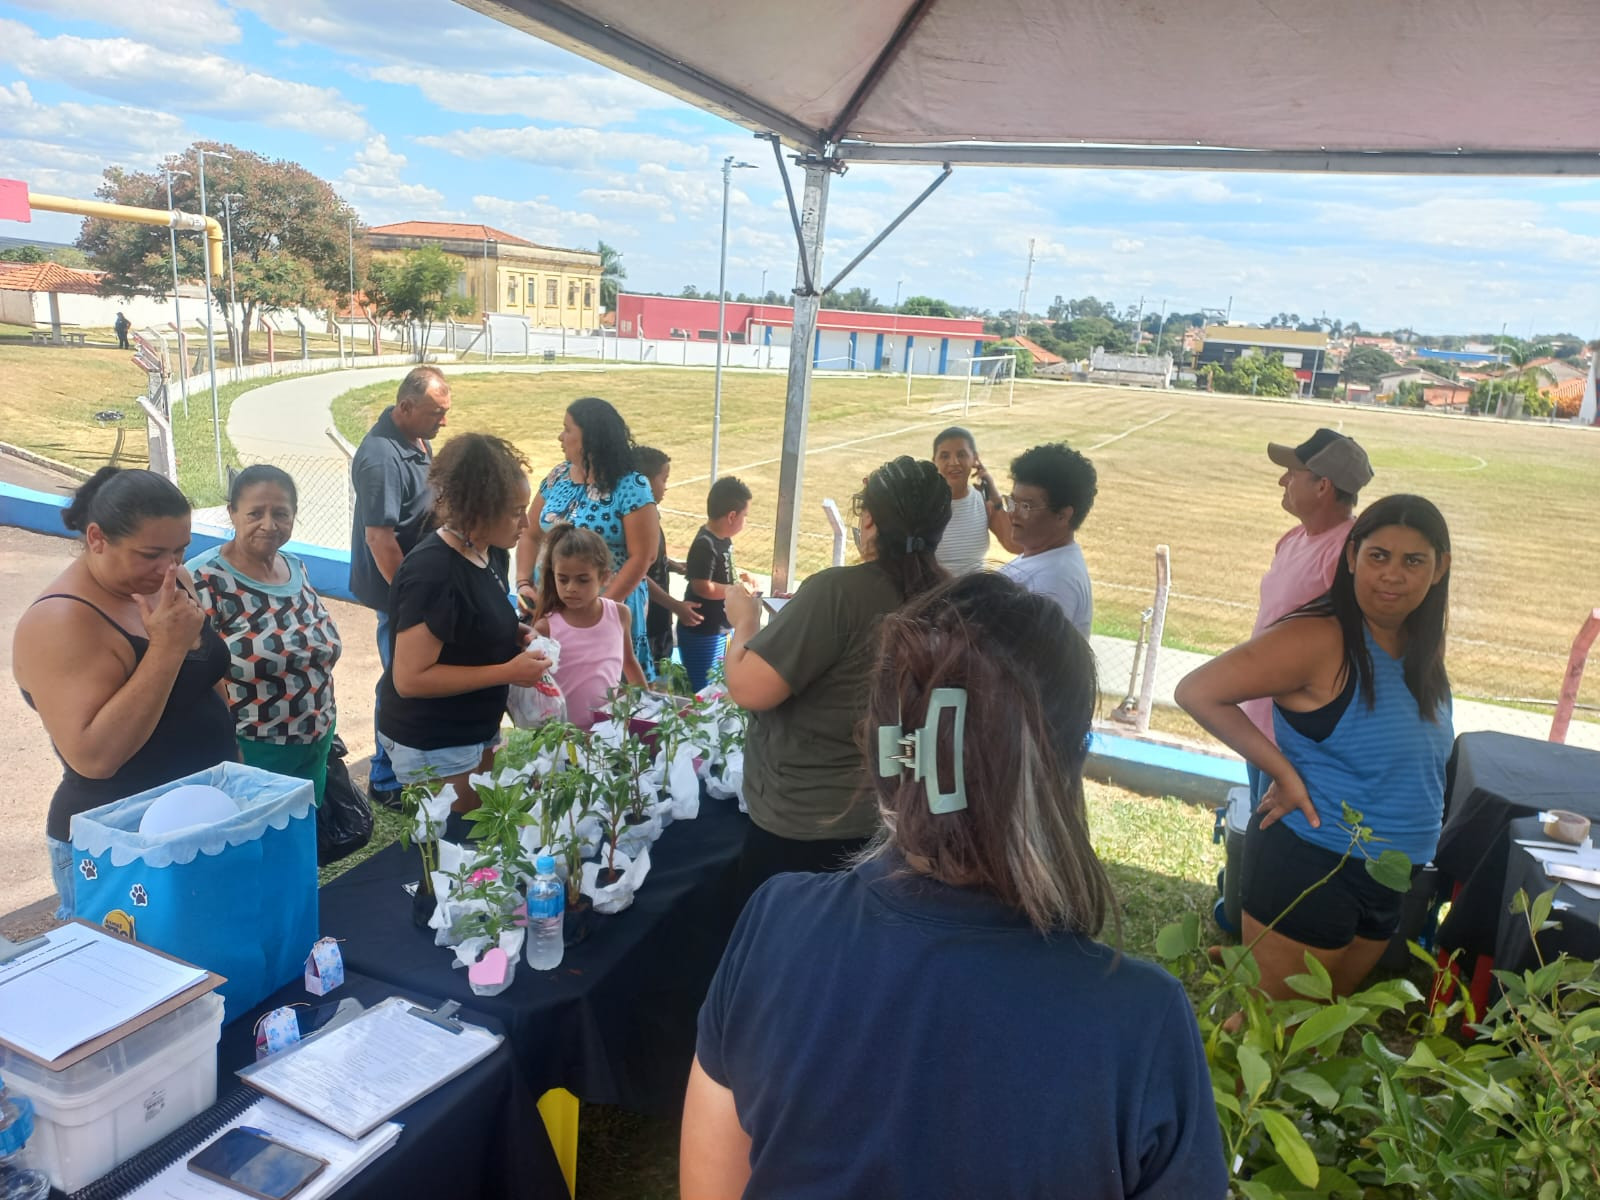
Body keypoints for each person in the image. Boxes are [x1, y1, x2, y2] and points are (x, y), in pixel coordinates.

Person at [683, 573, 1228, 1199]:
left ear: (884, 747)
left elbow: (712, 1184)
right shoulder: (1141, 1021)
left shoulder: (776, 922)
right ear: (1067, 764)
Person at [1175, 494, 1453, 1003]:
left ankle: (1246, 962)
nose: (1393, 574)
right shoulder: (1319, 638)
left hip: (1391, 871)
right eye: (1378, 556)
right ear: (1351, 559)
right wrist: (1283, 772)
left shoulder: (1418, 642)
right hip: (1314, 861)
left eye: (1413, 560)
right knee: (1271, 1033)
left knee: (1322, 1019)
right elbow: (1197, 691)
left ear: (1440, 569)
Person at [722, 455, 950, 898]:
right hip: (887, 818)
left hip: (804, 825)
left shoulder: (838, 593)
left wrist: (744, 622)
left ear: (868, 521)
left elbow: (748, 688)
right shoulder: (944, 598)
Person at [13, 468, 236, 918]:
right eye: (151, 553)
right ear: (96, 538)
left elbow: (209, 681)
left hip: (200, 817)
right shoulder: (61, 622)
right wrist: (167, 648)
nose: (170, 568)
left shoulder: (168, 582)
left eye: (180, 550)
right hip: (119, 841)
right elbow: (94, 757)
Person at [377, 434, 551, 811]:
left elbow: (470, 622)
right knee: (455, 846)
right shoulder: (434, 573)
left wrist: (514, 633)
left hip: (475, 727)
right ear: (478, 509)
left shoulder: (490, 551)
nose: (525, 522)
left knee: (479, 833)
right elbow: (409, 679)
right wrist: (507, 671)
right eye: (514, 510)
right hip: (435, 738)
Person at [187, 465, 343, 805]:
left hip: (316, 740)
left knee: (305, 843)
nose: (269, 525)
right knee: (264, 847)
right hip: (254, 748)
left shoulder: (295, 567)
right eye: (255, 513)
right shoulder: (204, 579)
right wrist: (228, 749)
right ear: (232, 513)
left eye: (281, 513)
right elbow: (197, 677)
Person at [1240, 428, 1373, 801]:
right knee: (1257, 827)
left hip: (1297, 739)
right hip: (1262, 723)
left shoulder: (1346, 556)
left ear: (1322, 486)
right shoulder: (1293, 539)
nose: (1283, 480)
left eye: (1293, 474)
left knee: (1270, 836)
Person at [348, 365, 451, 808]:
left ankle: (409, 767)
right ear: (405, 407)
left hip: (416, 586)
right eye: (435, 412)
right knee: (400, 681)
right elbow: (380, 539)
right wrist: (410, 599)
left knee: (410, 678)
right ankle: (386, 779)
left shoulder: (416, 438)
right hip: (399, 594)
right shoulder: (381, 458)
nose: (443, 421)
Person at [516, 397, 660, 677]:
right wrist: (524, 582)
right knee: (556, 681)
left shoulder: (631, 485)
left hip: (610, 604)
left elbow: (643, 556)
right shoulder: (558, 475)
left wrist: (600, 609)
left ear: (591, 438)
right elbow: (531, 533)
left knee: (606, 684)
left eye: (567, 429)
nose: (561, 437)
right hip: (553, 603)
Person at [532, 523, 645, 730]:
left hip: (609, 733)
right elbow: (537, 689)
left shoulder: (619, 614)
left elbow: (629, 663)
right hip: (562, 738)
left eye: (583, 580)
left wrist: (645, 709)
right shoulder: (546, 627)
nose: (571, 588)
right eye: (563, 579)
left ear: (604, 577)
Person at [998, 441, 1097, 637]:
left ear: (1063, 515)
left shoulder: (1054, 582)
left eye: (1026, 506)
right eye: (1012, 502)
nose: (1012, 514)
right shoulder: (1041, 557)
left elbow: (1028, 662)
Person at [677, 476, 752, 691]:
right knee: (704, 687)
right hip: (703, 631)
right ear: (731, 516)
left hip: (719, 628)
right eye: (744, 516)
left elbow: (723, 571)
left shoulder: (723, 539)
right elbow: (702, 586)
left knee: (718, 683)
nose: (745, 521)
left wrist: (741, 577)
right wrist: (734, 590)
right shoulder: (705, 544)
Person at [634, 445, 701, 671]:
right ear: (644, 481)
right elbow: (638, 574)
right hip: (647, 623)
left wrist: (671, 565)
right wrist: (677, 606)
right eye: (664, 479)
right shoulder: (637, 522)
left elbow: (651, 560)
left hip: (659, 619)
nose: (666, 487)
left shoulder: (651, 514)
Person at [930, 425, 1015, 573]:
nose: (954, 462)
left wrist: (995, 498)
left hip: (975, 592)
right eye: (944, 456)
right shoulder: (922, 504)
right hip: (935, 593)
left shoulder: (984, 502)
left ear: (975, 458)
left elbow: (1014, 545)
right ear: (934, 462)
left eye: (962, 454)